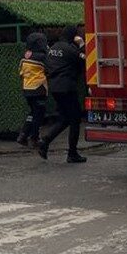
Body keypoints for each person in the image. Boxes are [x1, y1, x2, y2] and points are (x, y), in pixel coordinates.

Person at [38, 26, 87, 163]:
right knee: (75, 119)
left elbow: (47, 66)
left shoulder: (52, 49)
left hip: (55, 88)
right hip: (67, 88)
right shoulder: (69, 49)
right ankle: (72, 153)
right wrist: (82, 44)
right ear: (73, 36)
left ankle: (45, 141)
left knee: (65, 118)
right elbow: (85, 59)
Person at [17, 32, 49, 149]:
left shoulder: (24, 56)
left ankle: (23, 135)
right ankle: (34, 137)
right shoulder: (42, 57)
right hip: (39, 88)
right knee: (39, 115)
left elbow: (20, 72)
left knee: (33, 112)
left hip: (27, 88)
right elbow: (49, 69)